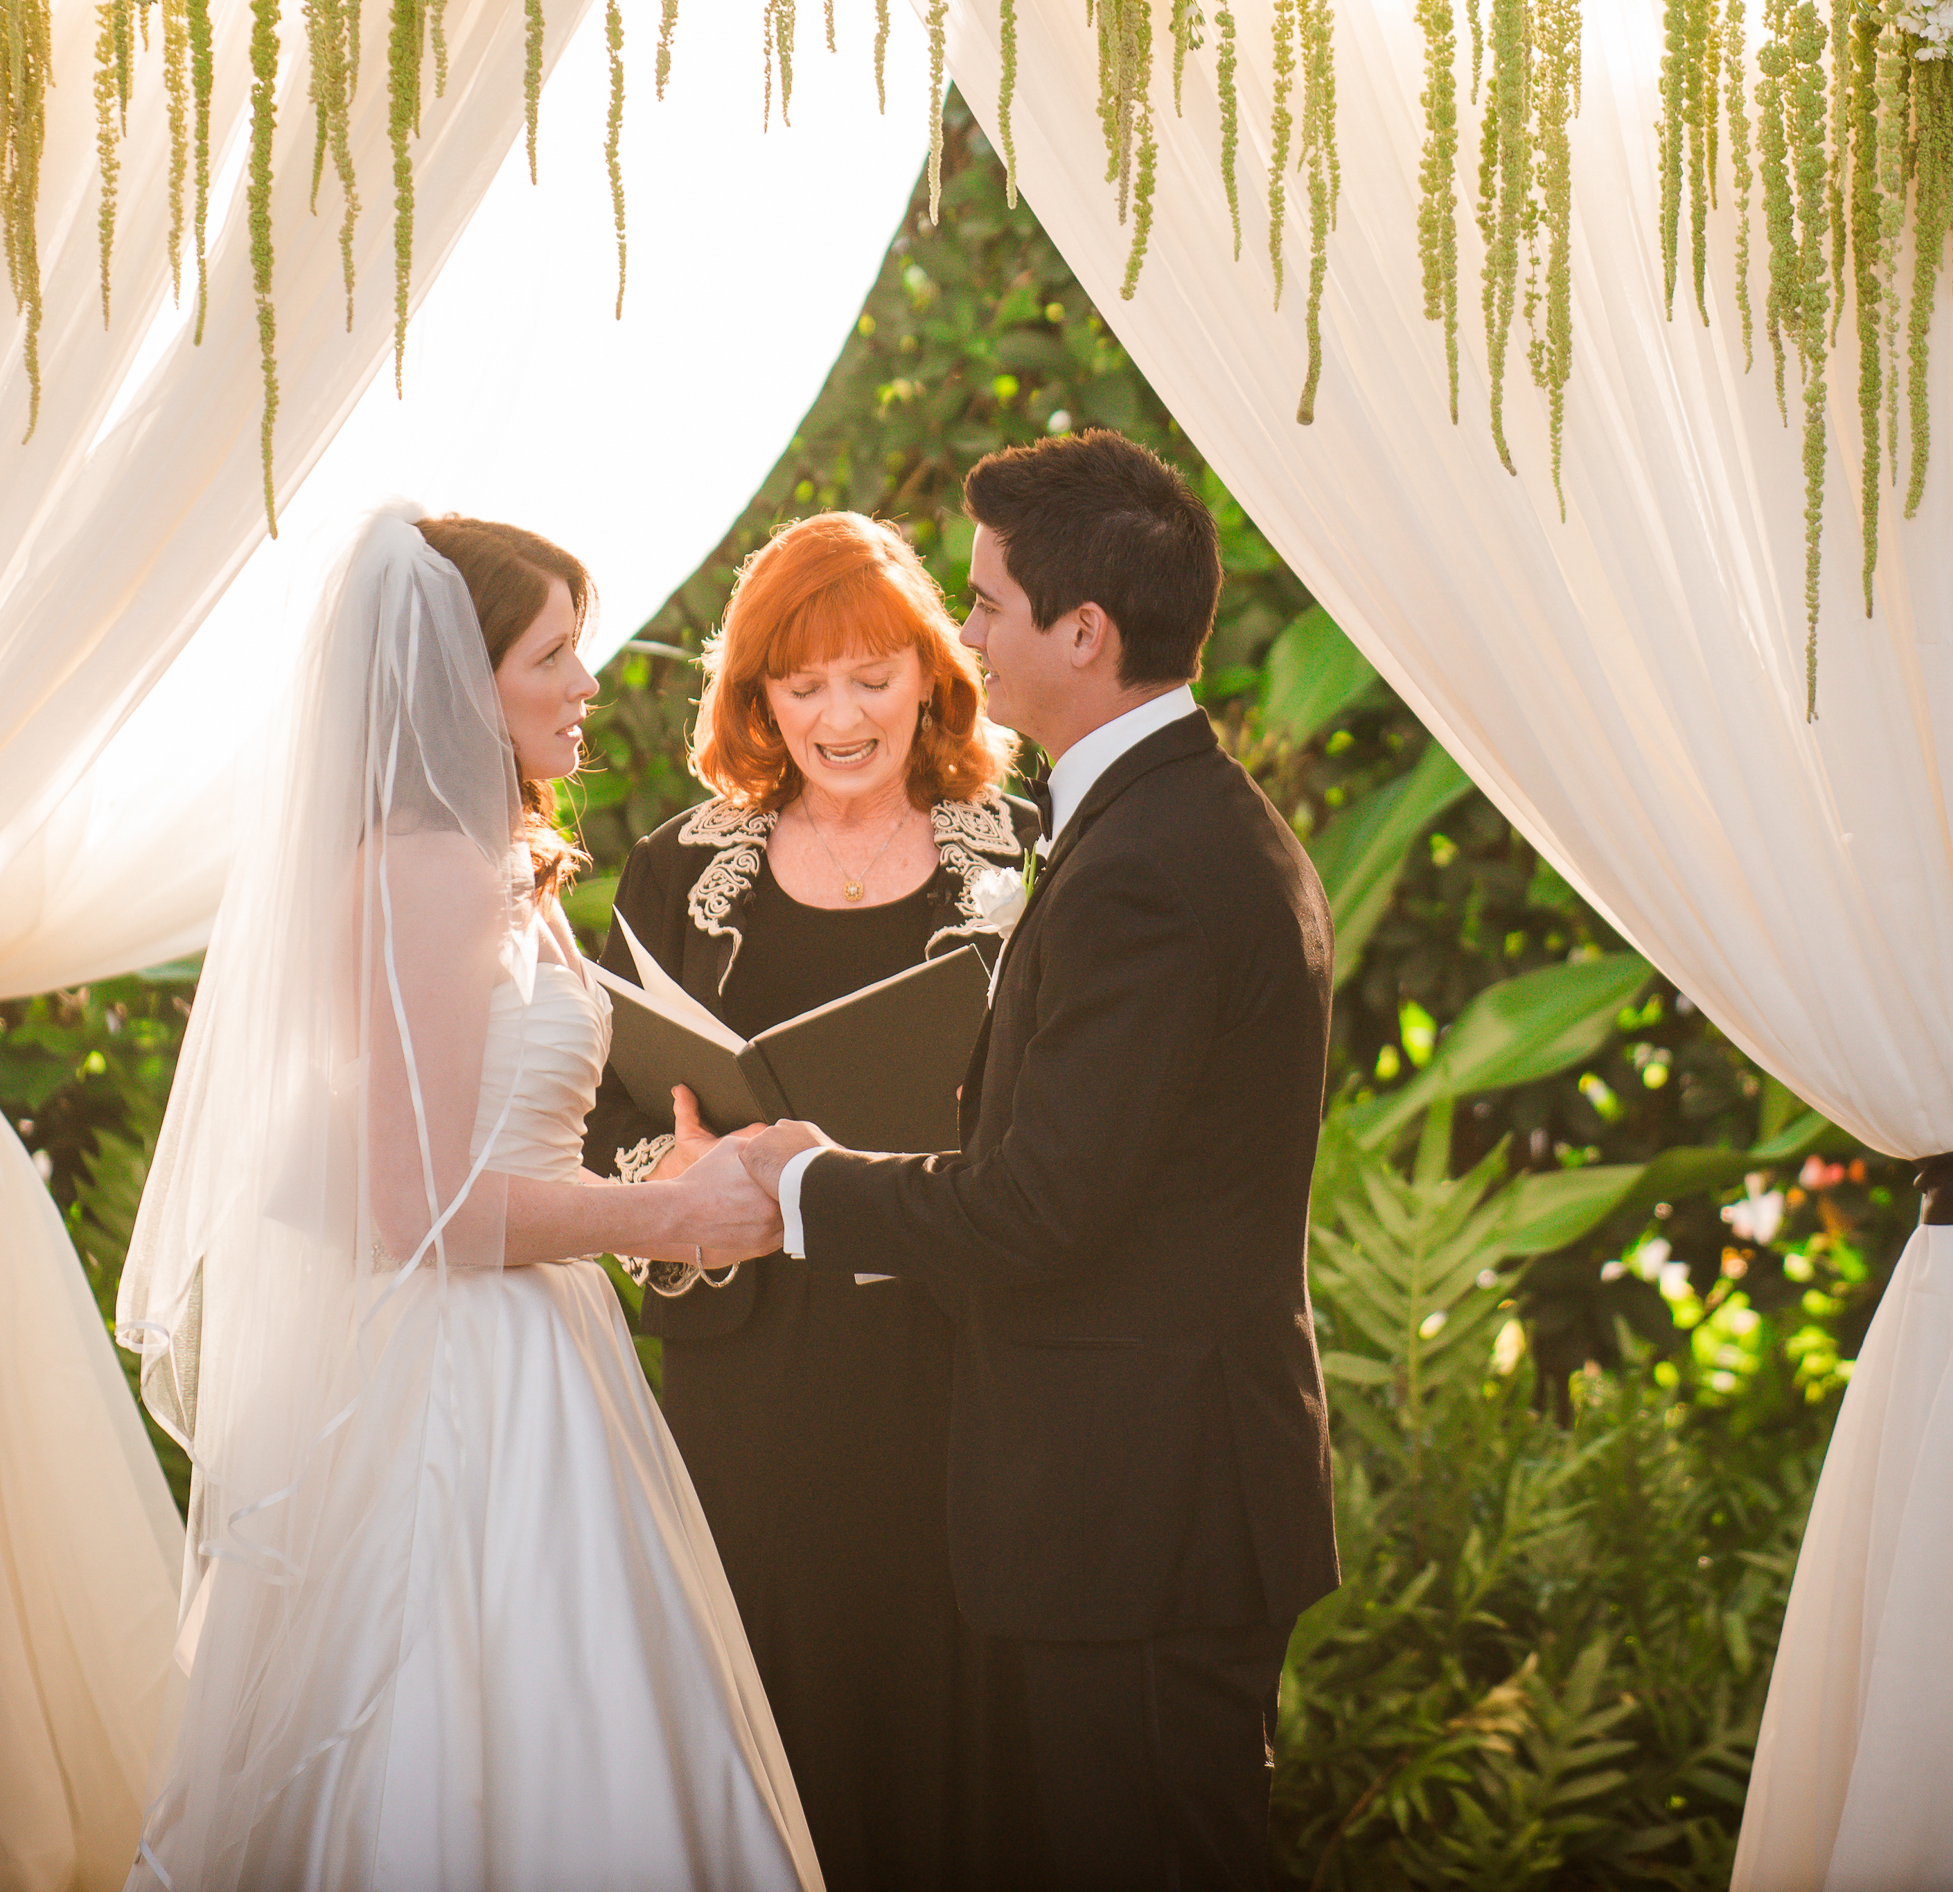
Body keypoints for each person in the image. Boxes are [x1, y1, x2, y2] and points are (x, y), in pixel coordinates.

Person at [108, 504, 810, 1891]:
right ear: (458, 681)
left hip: (541, 1341)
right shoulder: (429, 873)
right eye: (553, 654)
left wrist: (649, 1180)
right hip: (455, 1381)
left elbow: (462, 1147)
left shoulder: (504, 867)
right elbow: (409, 1202)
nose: (587, 683)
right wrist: (665, 1220)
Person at [735, 430, 1340, 1892]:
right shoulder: (1171, 819)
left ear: (1085, 631)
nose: (968, 636)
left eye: (988, 604)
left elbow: (1040, 1205)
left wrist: (798, 1181)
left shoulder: (1148, 866)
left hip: (1140, 1513)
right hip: (1145, 1502)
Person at [587, 510, 1042, 1888]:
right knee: (765, 1722)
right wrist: (653, 1183)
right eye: (802, 686)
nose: (841, 717)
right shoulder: (680, 872)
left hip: (961, 1371)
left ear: (932, 672)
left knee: (959, 1728)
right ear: (755, 698)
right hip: (756, 1385)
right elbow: (605, 1108)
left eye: (873, 677)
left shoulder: (1030, 857)